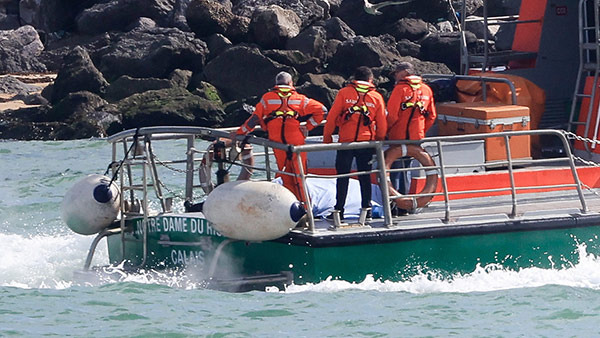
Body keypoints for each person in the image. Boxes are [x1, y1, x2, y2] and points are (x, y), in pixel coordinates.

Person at [236, 71, 327, 201]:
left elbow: (254, 119)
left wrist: (240, 132)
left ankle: (291, 206)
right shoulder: (300, 99)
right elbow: (323, 112)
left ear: (276, 83)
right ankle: (306, 208)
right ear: (291, 83)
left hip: (277, 141)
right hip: (296, 140)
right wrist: (308, 126)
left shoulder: (267, 98)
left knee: (285, 175)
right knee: (300, 175)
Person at [323, 66, 387, 221]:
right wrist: (378, 140)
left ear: (354, 79)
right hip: (366, 143)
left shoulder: (344, 93)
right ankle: (367, 209)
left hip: (346, 143)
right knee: (365, 176)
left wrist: (327, 137)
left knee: (342, 176)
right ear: (370, 80)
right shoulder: (377, 97)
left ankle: (339, 210)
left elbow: (332, 117)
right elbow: (382, 123)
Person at [386, 61, 437, 214]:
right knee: (406, 169)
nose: (395, 76)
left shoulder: (399, 90)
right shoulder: (426, 89)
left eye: (396, 73)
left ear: (403, 73)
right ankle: (406, 205)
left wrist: (386, 132)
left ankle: (396, 206)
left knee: (394, 170)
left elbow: (392, 115)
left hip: (398, 137)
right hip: (416, 137)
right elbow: (432, 115)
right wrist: (421, 130)